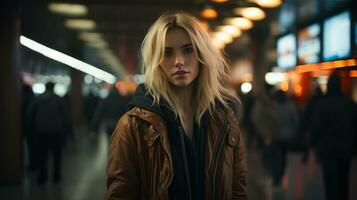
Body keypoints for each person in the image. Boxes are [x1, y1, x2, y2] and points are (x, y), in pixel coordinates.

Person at [107, 12, 247, 200]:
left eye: (188, 50)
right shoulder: (133, 126)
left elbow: (237, 189)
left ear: (201, 55)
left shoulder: (224, 120)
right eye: (167, 53)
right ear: (156, 61)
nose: (179, 61)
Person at [310, 71, 357, 200]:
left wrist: (313, 144)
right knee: (344, 180)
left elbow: (316, 127)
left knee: (330, 182)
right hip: (345, 150)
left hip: (328, 150)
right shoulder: (350, 104)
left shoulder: (323, 104)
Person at [27, 82, 72, 185]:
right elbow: (65, 116)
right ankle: (56, 176)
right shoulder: (58, 100)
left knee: (42, 155)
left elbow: (30, 115)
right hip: (56, 132)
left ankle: (42, 176)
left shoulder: (37, 99)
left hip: (41, 132)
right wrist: (65, 129)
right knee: (57, 155)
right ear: (53, 88)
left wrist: (32, 128)